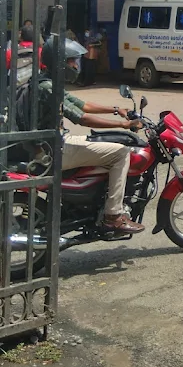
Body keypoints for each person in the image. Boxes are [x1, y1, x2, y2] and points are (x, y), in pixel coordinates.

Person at [39, 36, 145, 235]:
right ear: (60, 63)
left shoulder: (47, 82)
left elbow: (82, 104)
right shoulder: (49, 88)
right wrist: (124, 124)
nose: (75, 65)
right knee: (121, 153)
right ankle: (113, 216)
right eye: (71, 61)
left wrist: (115, 109)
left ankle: (96, 200)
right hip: (53, 150)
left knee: (100, 141)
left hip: (52, 143)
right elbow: (82, 118)